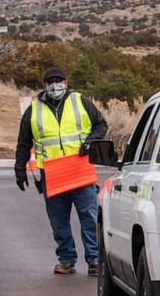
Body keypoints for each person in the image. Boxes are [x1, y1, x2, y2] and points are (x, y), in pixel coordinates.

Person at [14, 67, 108, 275]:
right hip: (53, 175)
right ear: (44, 86)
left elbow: (101, 125)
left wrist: (90, 142)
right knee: (58, 220)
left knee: (89, 218)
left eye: (59, 81)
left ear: (66, 83)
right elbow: (23, 142)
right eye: (51, 82)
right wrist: (19, 169)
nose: (55, 85)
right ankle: (66, 259)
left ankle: (94, 260)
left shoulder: (80, 101)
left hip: (80, 172)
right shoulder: (34, 110)